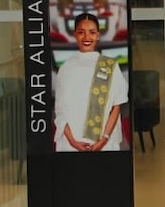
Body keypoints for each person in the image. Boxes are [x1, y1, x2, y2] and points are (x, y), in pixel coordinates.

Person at [53, 12, 129, 152]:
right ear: (75, 34)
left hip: (104, 144)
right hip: (71, 146)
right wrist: (73, 142)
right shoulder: (66, 68)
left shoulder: (110, 66)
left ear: (98, 35)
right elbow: (60, 111)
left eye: (92, 32)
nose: (87, 37)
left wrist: (104, 139)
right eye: (81, 32)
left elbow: (116, 107)